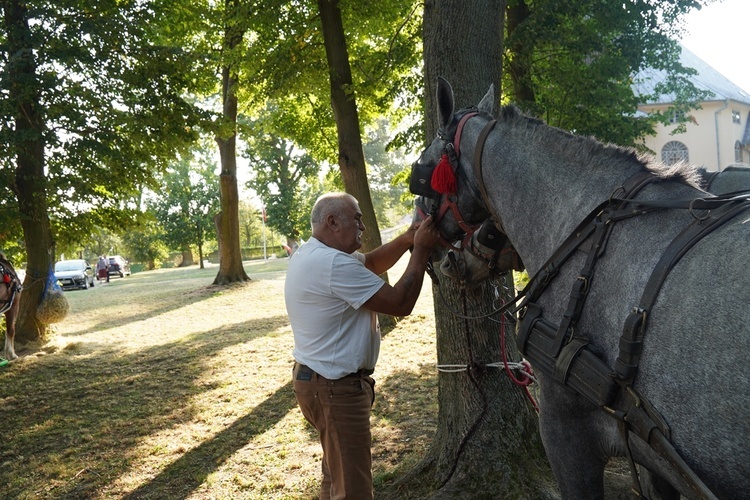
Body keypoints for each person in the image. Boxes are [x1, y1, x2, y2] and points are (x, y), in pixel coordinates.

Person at [284, 192, 440, 500]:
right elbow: (400, 302)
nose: (363, 226)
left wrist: (409, 238)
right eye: (357, 219)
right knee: (353, 491)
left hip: (318, 383)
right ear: (332, 222)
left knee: (336, 479)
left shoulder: (313, 253)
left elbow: (370, 263)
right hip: (335, 390)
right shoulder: (332, 264)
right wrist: (420, 250)